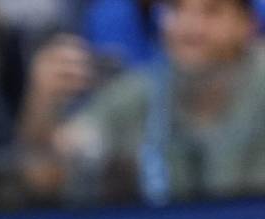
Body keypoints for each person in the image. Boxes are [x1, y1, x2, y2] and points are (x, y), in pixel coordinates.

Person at [20, 0, 265, 204]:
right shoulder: (140, 92)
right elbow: (45, 177)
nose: (190, 29)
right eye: (177, 9)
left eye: (212, 12)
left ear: (247, 24)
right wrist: (43, 100)